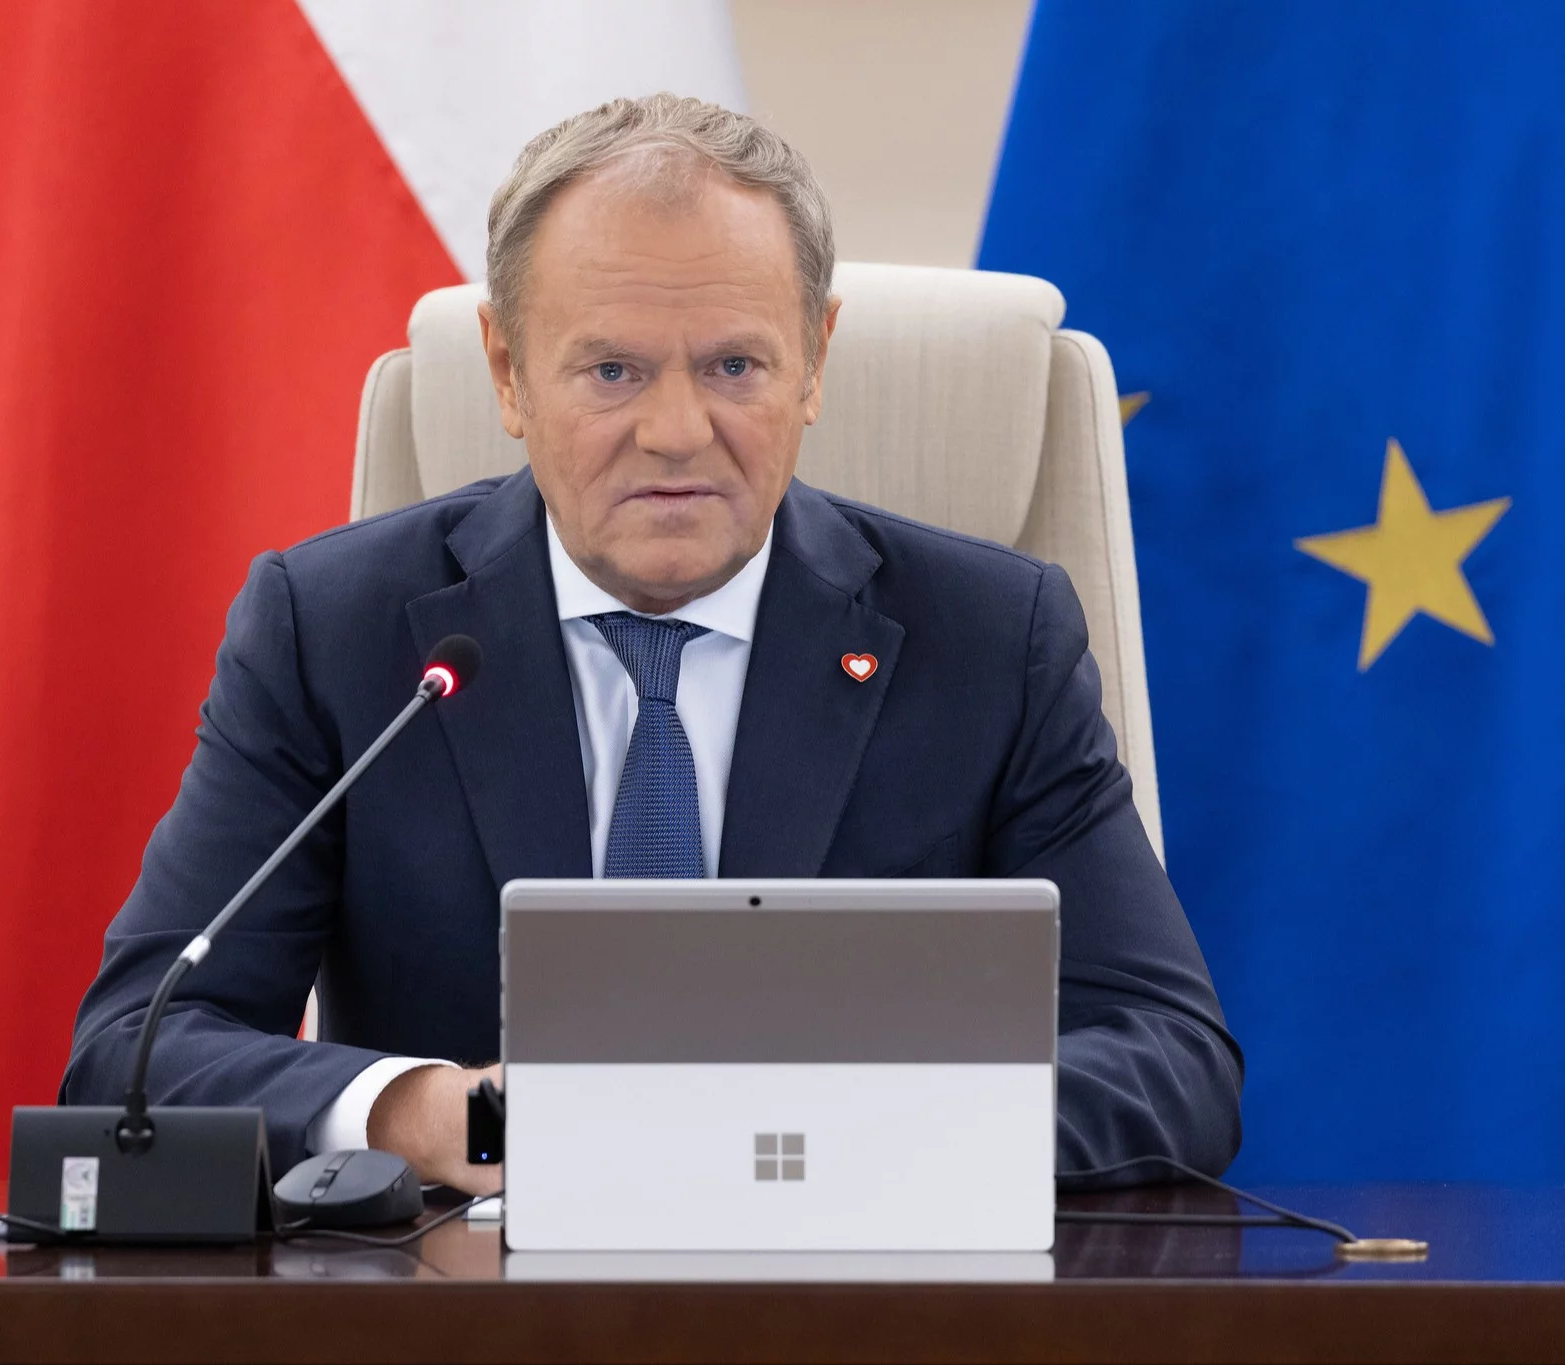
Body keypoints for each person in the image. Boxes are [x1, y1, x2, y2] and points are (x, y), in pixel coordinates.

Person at [64, 94, 1242, 1194]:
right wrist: (430, 1114)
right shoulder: (336, 631)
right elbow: (135, 1051)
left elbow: (1171, 1059)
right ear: (508, 373)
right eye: (612, 370)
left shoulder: (987, 638)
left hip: (860, 1287)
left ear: (814, 362)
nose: (676, 432)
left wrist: (813, 1139)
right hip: (467, 1298)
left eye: (733, 366)